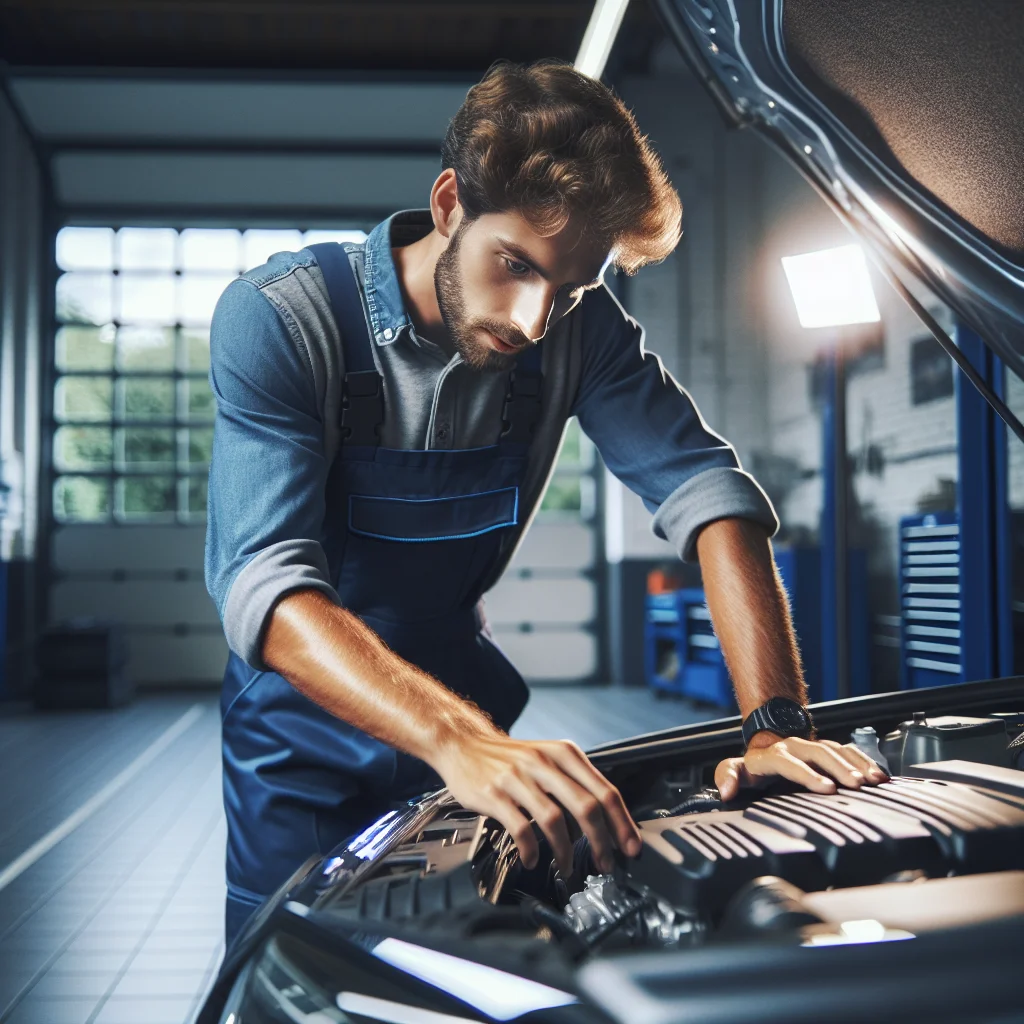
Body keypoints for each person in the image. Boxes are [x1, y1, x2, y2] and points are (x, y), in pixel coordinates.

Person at [205, 60, 887, 946]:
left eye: (567, 290)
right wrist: (455, 739)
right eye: (516, 265)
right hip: (299, 740)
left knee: (455, 975)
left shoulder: (581, 331)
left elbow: (709, 492)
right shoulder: (283, 320)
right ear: (450, 203)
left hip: (467, 717)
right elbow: (266, 581)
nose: (532, 321)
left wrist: (773, 724)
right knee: (293, 969)